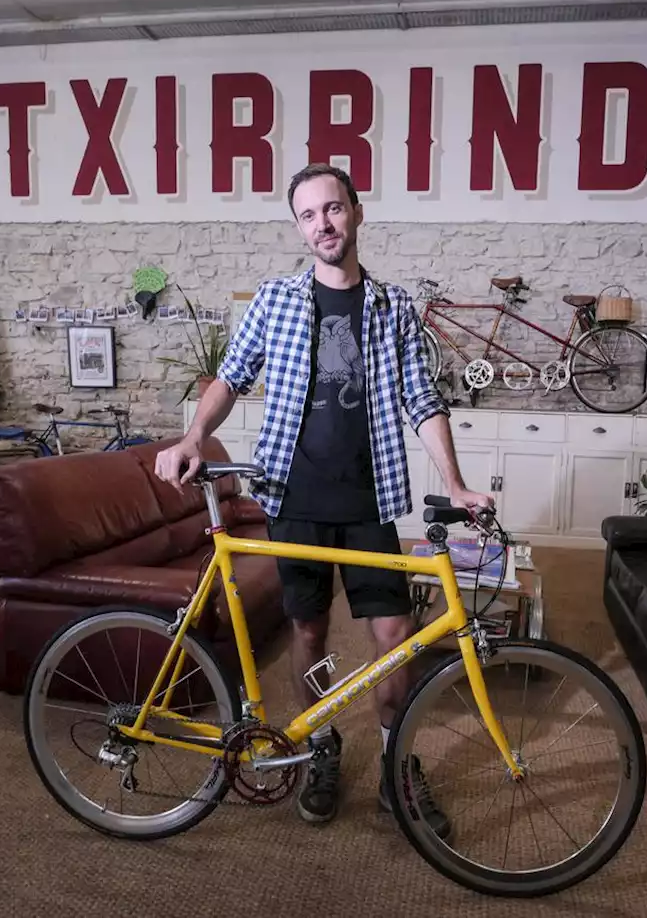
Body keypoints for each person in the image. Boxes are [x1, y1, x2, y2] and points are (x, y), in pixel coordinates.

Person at [154, 162, 494, 833]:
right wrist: (194, 433)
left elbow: (421, 399)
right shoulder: (277, 301)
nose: (323, 225)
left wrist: (454, 483)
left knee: (393, 635)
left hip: (370, 500)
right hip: (295, 498)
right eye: (308, 215)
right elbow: (229, 378)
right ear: (298, 226)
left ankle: (398, 760)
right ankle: (321, 744)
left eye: (332, 210)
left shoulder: (392, 307)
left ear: (357, 212)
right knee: (308, 631)